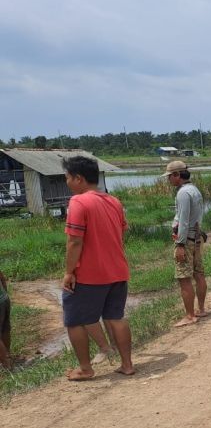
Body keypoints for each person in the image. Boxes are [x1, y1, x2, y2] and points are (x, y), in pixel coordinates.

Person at [61, 156, 134, 380]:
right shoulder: (114, 201)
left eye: (67, 177)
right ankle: (127, 365)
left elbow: (75, 242)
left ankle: (85, 368)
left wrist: (69, 272)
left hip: (90, 276)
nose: (66, 182)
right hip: (118, 271)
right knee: (116, 317)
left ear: (78, 178)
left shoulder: (78, 202)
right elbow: (121, 232)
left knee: (73, 320)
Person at [164, 160, 207, 327]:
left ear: (177, 175)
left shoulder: (182, 193)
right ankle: (201, 309)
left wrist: (180, 244)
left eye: (169, 176)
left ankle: (190, 315)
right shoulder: (194, 189)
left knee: (184, 278)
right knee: (199, 274)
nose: (168, 180)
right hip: (196, 237)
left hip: (187, 240)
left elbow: (183, 221)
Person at [0, 269, 11, 370]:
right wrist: (5, 294)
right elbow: (2, 278)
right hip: (4, 299)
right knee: (5, 329)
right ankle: (7, 355)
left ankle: (6, 365)